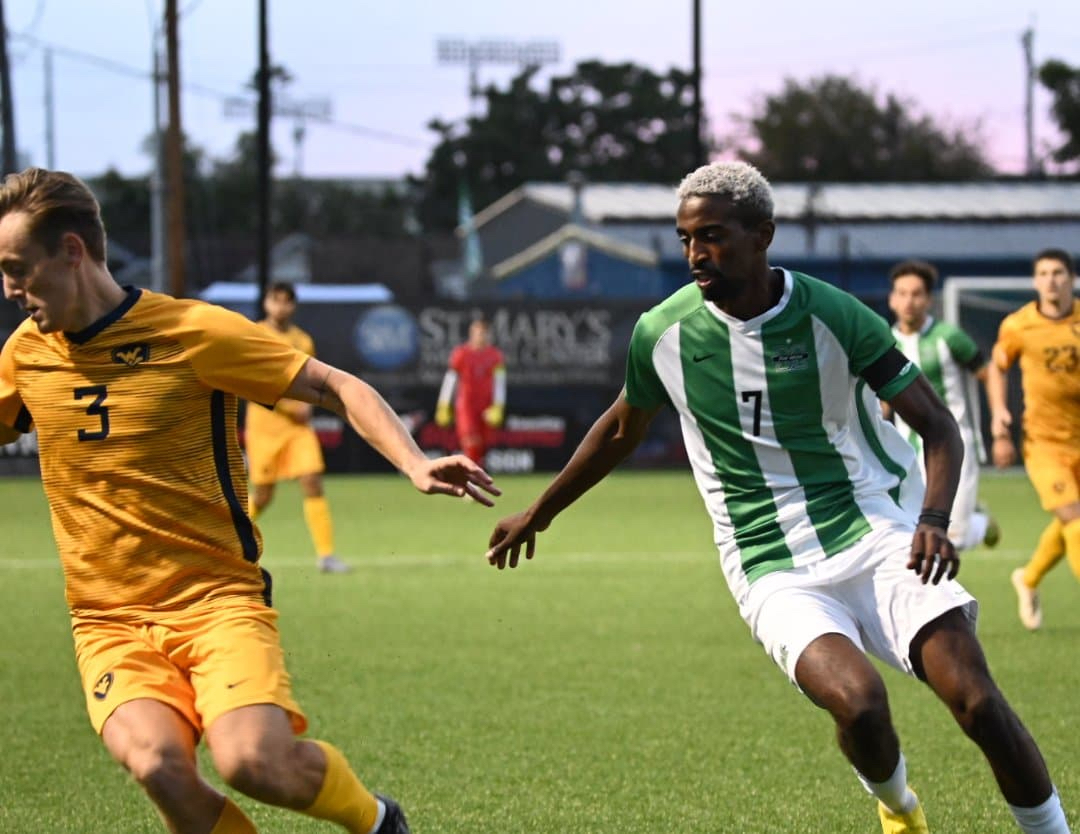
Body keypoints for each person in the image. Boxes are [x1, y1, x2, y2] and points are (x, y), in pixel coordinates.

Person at [485, 161, 1070, 834]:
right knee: (860, 704)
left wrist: (934, 518)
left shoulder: (834, 314)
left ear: (762, 235)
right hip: (769, 562)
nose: (696, 254)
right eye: (685, 239)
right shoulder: (663, 333)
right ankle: (900, 809)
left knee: (975, 701)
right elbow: (622, 425)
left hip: (874, 529)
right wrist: (541, 511)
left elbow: (937, 426)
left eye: (712, 236)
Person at [0, 167, 500, 834]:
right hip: (109, 621)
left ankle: (379, 822)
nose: (8, 289)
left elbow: (337, 387)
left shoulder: (192, 332)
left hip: (215, 605)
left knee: (255, 762)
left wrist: (412, 461)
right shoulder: (24, 355)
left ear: (70, 250)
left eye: (15, 267)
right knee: (158, 767)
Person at [986, 248, 1080, 632]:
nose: (1051, 280)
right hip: (1044, 443)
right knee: (1074, 519)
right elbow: (997, 366)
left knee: (1072, 518)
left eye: (1058, 272)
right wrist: (999, 418)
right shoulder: (1019, 325)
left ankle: (1027, 578)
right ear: (1035, 281)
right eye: (1043, 273)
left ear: (1070, 278)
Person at [886, 259, 999, 551]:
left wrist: (998, 418)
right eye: (902, 293)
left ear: (927, 299)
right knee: (918, 533)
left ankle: (977, 524)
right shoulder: (884, 341)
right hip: (906, 451)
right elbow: (884, 399)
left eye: (916, 294)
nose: (909, 301)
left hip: (954, 443)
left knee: (952, 539)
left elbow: (989, 373)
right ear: (892, 299)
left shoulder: (949, 338)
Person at [245, 281, 349, 574]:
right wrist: (291, 407)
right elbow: (251, 383)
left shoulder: (303, 340)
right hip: (265, 426)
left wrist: (308, 406)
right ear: (266, 303)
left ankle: (326, 555)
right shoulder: (254, 335)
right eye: (275, 300)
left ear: (293, 305)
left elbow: (312, 382)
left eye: (286, 301)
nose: (280, 306)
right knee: (264, 494)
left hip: (297, 429)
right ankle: (225, 539)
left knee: (312, 480)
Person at [435, 317, 505, 465]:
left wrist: (498, 406)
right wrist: (443, 405)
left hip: (486, 405)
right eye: (478, 333)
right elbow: (450, 380)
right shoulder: (461, 354)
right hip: (466, 405)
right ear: (471, 334)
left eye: (484, 333)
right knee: (470, 439)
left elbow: (499, 382)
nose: (481, 337)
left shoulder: (495, 356)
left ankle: (476, 470)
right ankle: (472, 473)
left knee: (482, 443)